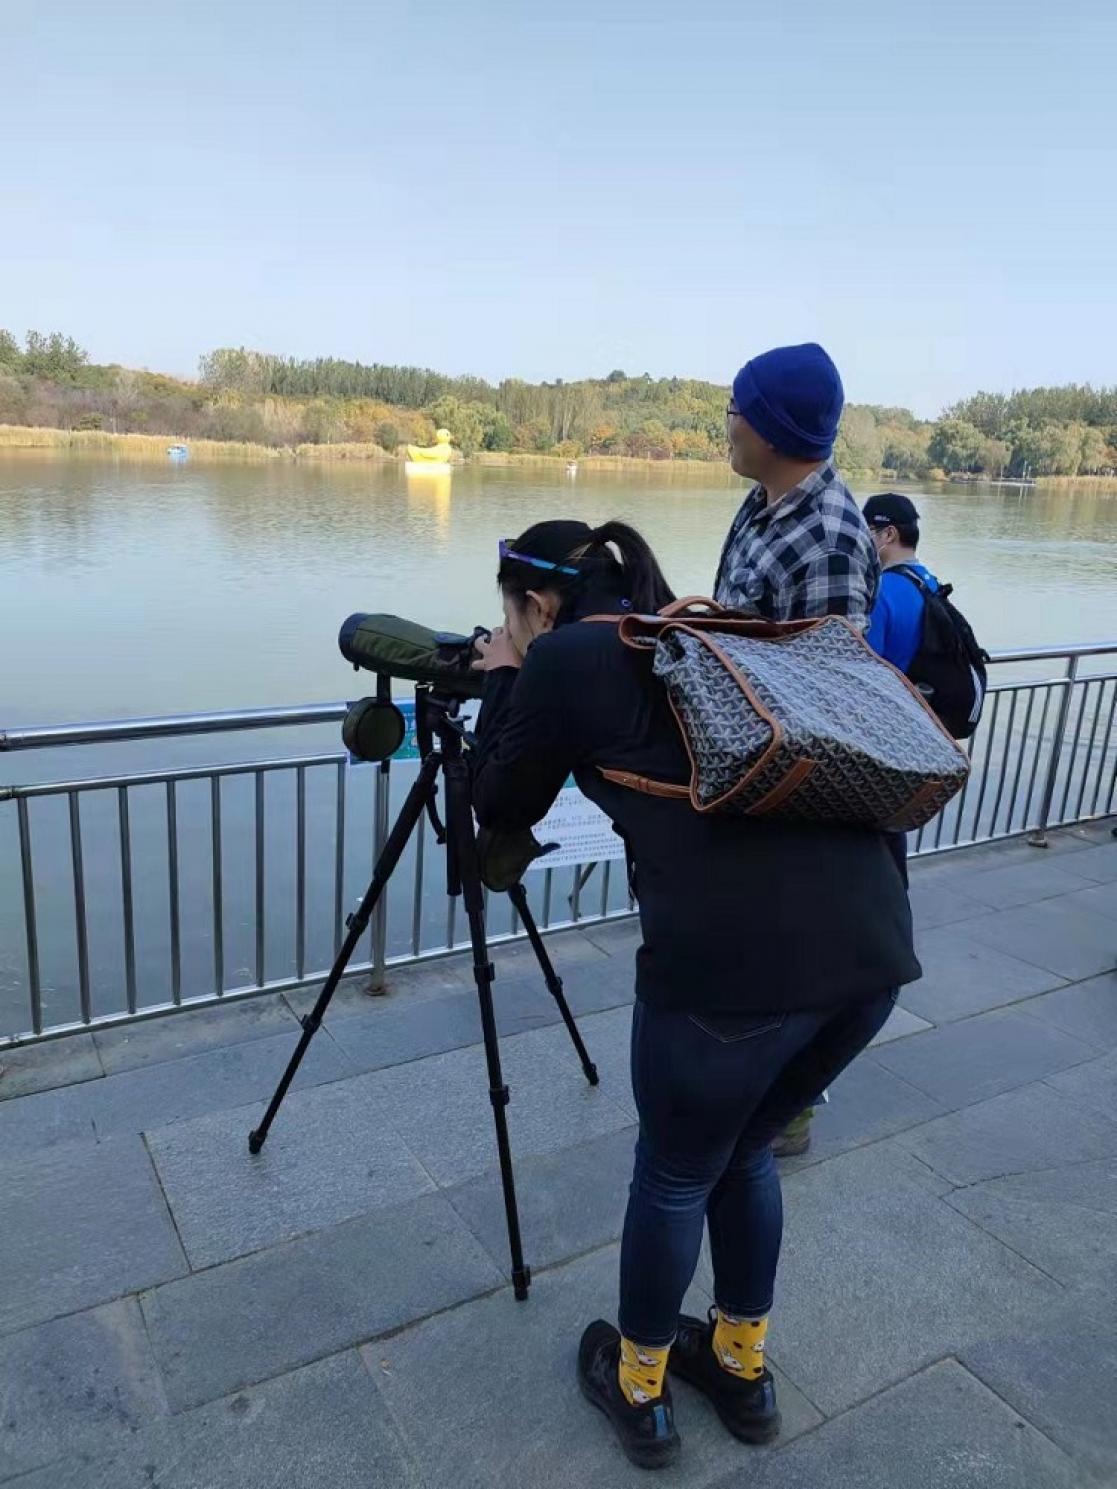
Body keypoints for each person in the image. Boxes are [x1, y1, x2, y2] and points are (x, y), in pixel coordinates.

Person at [472, 519, 917, 1470]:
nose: (508, 628)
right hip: (870, 962)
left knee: (675, 1173)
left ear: (538, 604)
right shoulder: (699, 635)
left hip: (729, 976)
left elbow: (497, 799)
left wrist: (506, 670)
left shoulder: (570, 656)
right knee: (744, 1150)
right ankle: (739, 1369)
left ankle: (639, 1388)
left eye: (511, 615)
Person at [715, 342, 881, 1158]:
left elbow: (827, 698)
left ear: (773, 427)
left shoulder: (828, 536)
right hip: (738, 759)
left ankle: (788, 1106)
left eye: (737, 406)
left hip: (784, 786)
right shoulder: (760, 505)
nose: (728, 420)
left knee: (793, 952)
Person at [862, 492, 936, 671]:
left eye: (866, 531)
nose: (861, 539)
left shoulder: (880, 590)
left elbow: (866, 666)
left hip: (890, 695)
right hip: (924, 696)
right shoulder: (931, 583)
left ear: (889, 534)